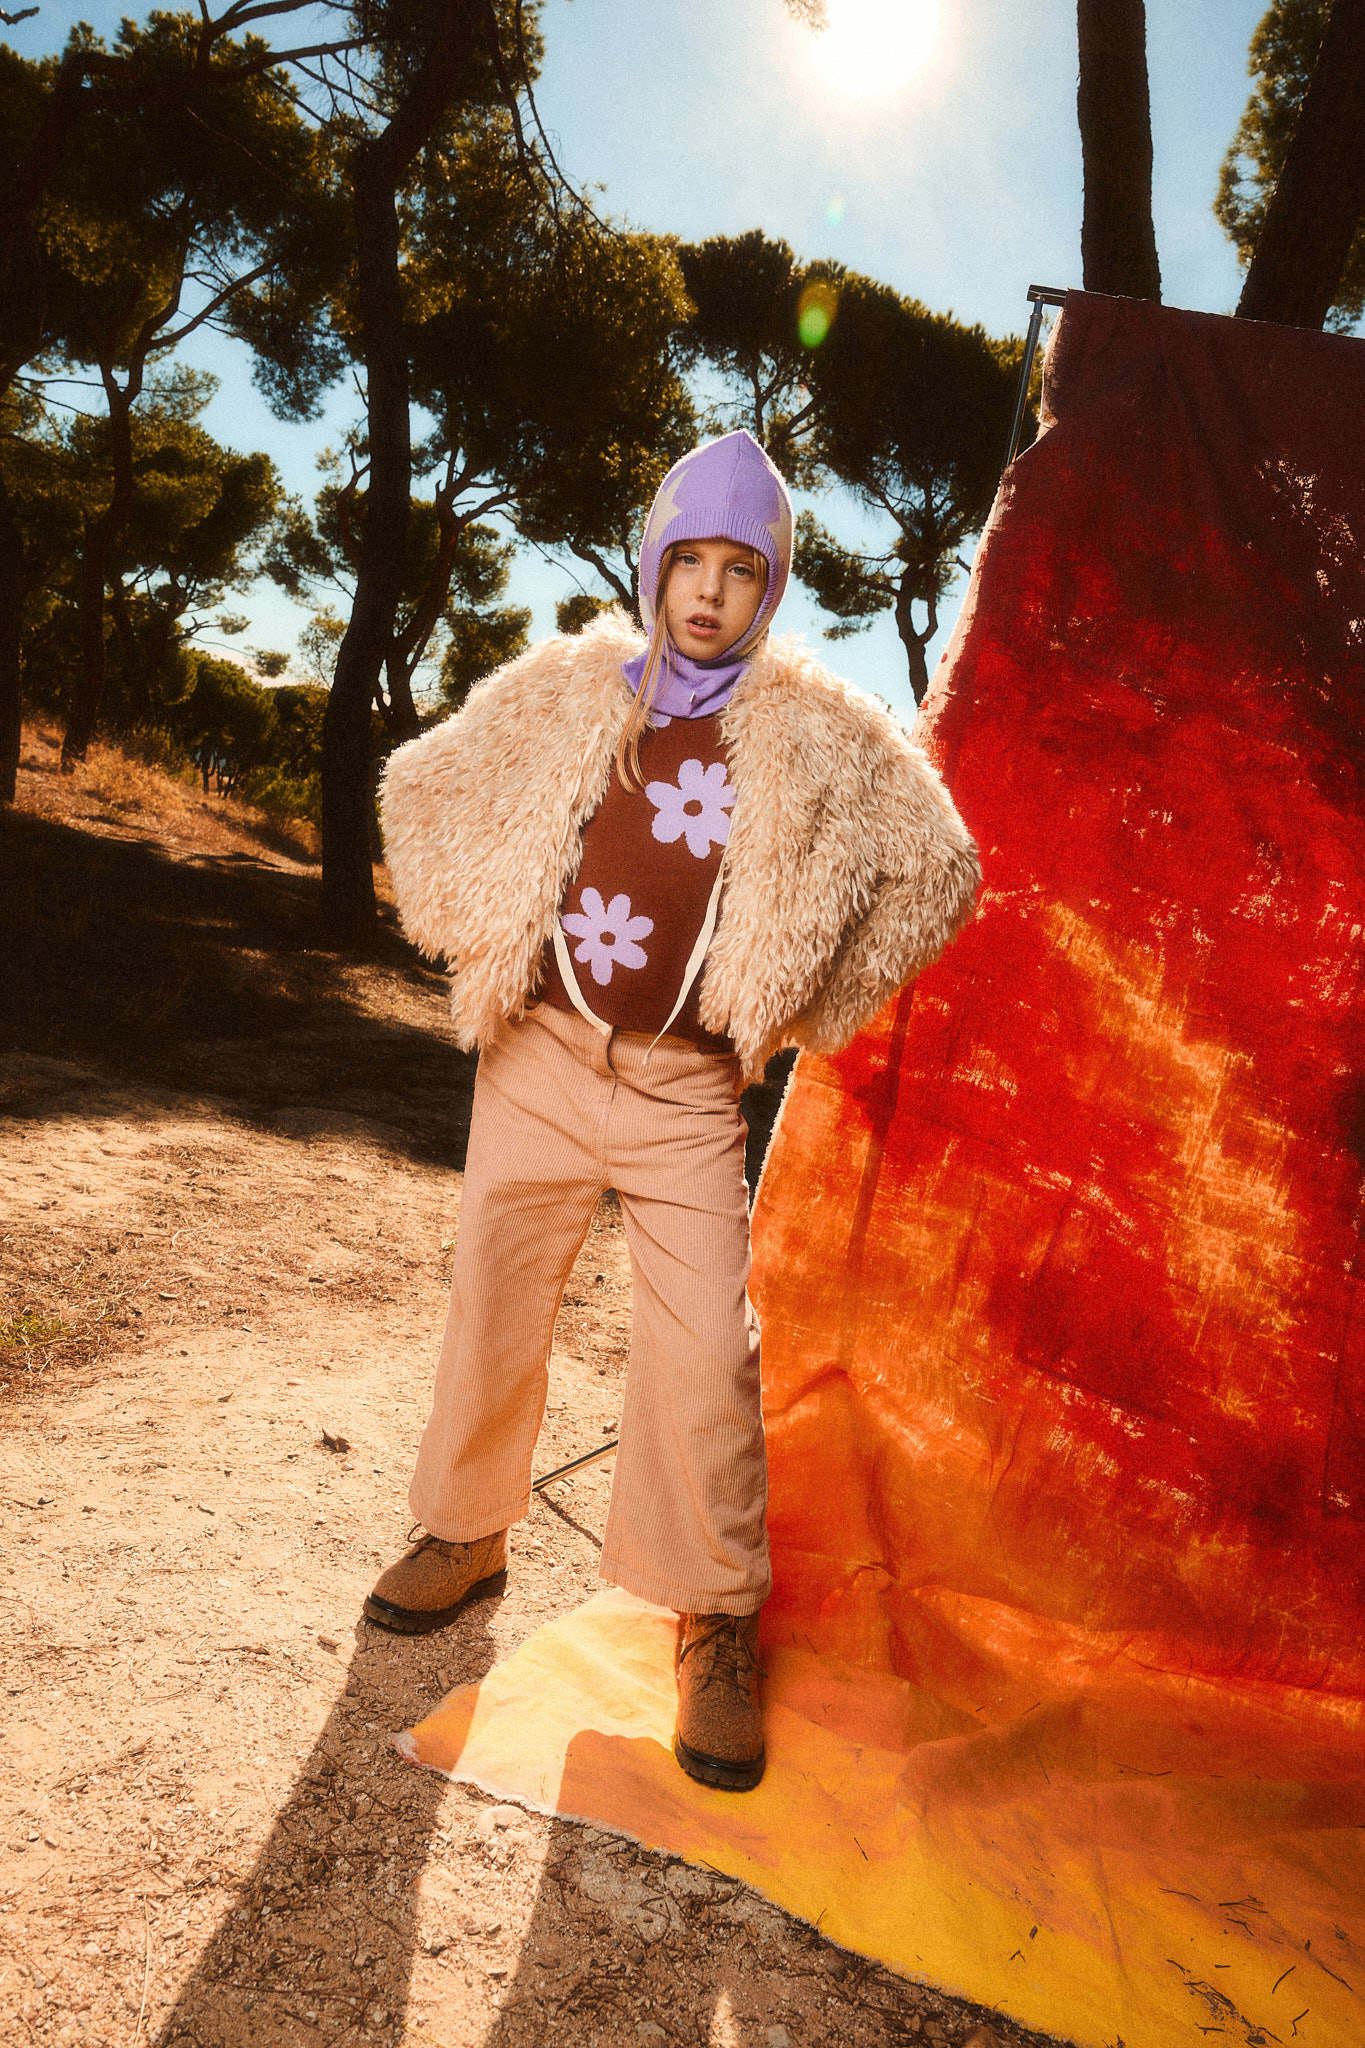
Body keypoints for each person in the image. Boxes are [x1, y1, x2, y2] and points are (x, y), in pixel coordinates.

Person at [365, 430, 980, 1792]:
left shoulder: (810, 727)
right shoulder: (572, 687)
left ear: (772, 586)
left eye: (740, 568)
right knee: (493, 1291)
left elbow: (939, 867)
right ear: (651, 566)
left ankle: (713, 1615)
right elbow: (422, 785)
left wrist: (798, 999)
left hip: (685, 1089)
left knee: (707, 1349)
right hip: (536, 1056)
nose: (708, 590)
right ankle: (465, 1531)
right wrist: (479, 933)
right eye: (687, 560)